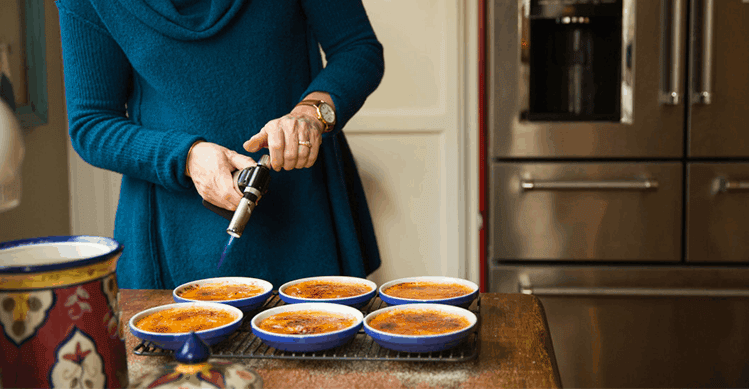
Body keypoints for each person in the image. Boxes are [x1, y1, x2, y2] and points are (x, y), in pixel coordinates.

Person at [56, 0, 384, 289]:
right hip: (170, 238)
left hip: (307, 216)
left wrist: (311, 114)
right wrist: (187, 157)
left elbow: (357, 47)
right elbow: (91, 123)